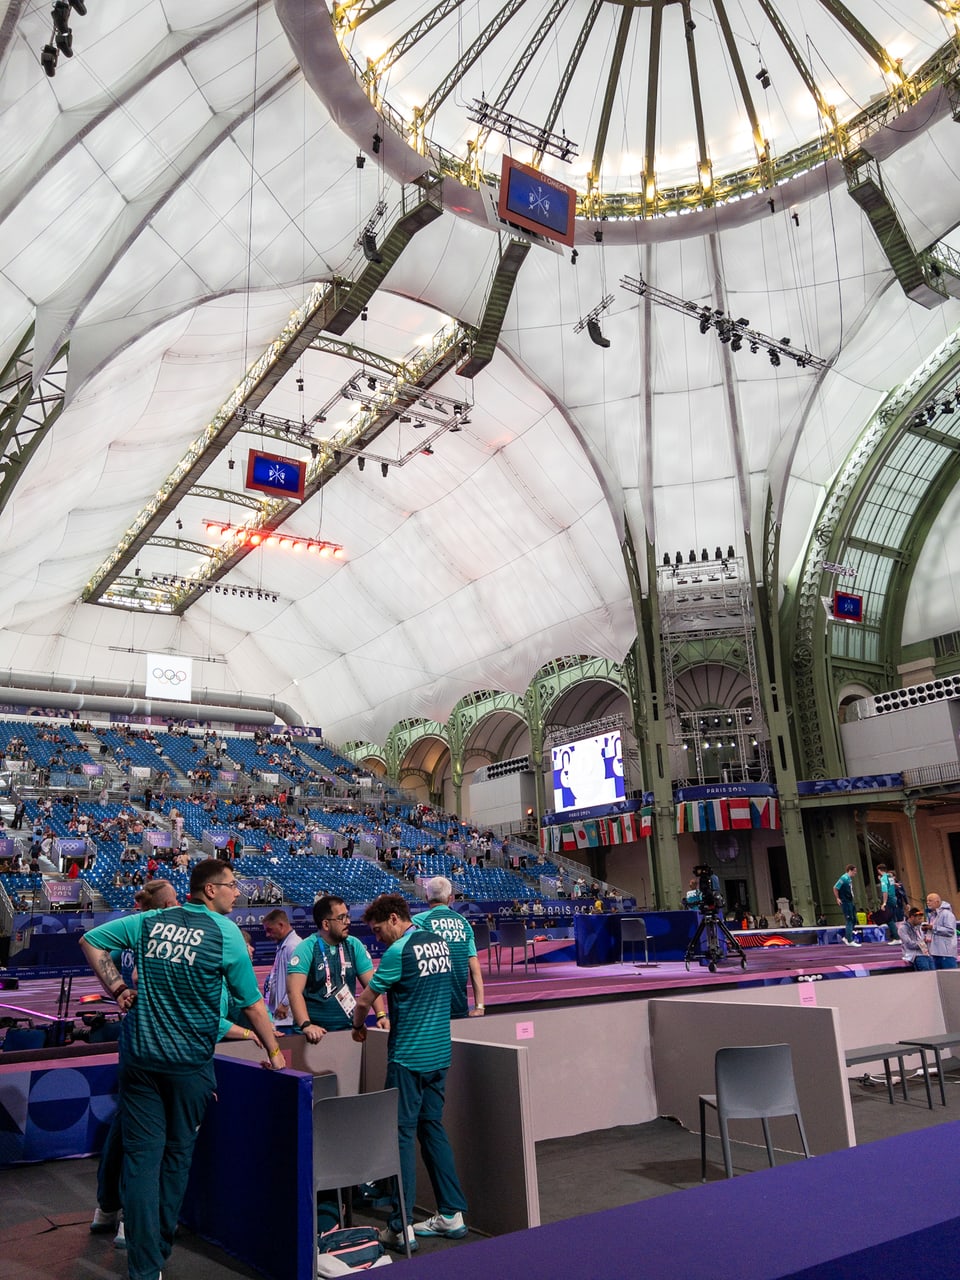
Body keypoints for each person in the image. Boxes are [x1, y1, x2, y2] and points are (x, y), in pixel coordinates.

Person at [80, 859, 284, 1280]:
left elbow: (90, 940)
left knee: (140, 1164)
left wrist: (117, 987)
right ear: (209, 890)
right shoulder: (226, 933)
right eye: (230, 885)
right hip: (188, 1065)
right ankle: (157, 1251)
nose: (236, 892)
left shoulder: (149, 920)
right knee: (175, 1160)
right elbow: (252, 1005)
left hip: (139, 1060)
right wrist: (275, 1050)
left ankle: (144, 1267)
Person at [353, 894, 469, 1253]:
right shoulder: (441, 944)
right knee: (432, 1128)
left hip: (407, 1058)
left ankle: (400, 1225)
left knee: (400, 1136)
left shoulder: (398, 951)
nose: (377, 938)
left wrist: (358, 1027)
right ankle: (452, 1213)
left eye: (377, 930)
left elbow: (364, 1000)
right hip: (440, 1054)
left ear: (392, 919)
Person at [286, 895, 386, 1039]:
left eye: (347, 916)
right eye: (342, 918)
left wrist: (380, 1016)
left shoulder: (354, 945)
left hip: (347, 1031)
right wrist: (306, 1025)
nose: (348, 922)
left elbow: (372, 986)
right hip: (314, 1035)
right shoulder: (306, 948)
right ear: (326, 924)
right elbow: (294, 992)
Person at [412, 876, 484, 1019]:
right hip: (459, 1007)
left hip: (428, 1011)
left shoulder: (417, 921)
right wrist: (479, 1007)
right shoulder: (463, 923)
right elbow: (474, 966)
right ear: (451, 898)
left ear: (427, 897)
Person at [262, 908, 301, 1029]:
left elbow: (300, 980)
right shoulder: (283, 945)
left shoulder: (294, 946)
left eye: (270, 930)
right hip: (280, 1015)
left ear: (281, 925)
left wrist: (285, 1003)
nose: (267, 934)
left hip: (288, 1017)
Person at [924, 893, 958, 970]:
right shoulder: (932, 915)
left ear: (937, 902)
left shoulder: (947, 914)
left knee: (950, 977)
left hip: (946, 953)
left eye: (930, 900)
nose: (928, 903)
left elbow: (950, 931)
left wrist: (933, 927)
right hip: (935, 952)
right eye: (927, 901)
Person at [899, 906, 934, 971]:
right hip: (914, 955)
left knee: (934, 971)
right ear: (912, 917)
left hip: (925, 953)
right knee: (926, 972)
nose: (921, 921)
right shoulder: (903, 928)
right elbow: (909, 944)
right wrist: (923, 942)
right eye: (919, 919)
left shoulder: (919, 927)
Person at [833, 863, 860, 946]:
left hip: (850, 901)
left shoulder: (849, 879)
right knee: (849, 920)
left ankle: (846, 937)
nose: (855, 873)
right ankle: (850, 940)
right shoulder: (843, 878)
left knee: (854, 919)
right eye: (854, 871)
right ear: (850, 870)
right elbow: (835, 887)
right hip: (845, 902)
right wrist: (837, 898)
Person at [875, 863, 900, 944]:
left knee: (889, 919)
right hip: (893, 898)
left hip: (888, 899)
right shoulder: (890, 876)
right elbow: (893, 885)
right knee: (892, 917)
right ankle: (896, 937)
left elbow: (885, 891)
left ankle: (896, 938)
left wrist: (884, 902)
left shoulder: (884, 878)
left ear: (879, 870)